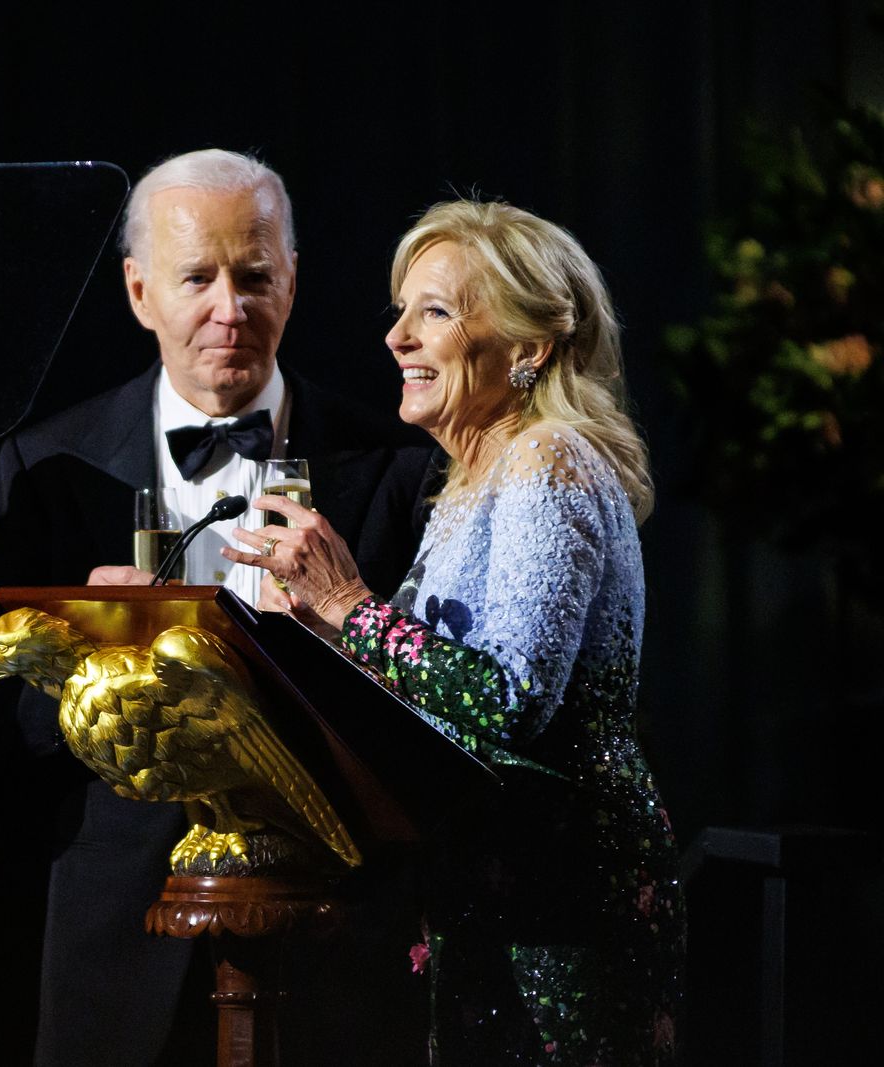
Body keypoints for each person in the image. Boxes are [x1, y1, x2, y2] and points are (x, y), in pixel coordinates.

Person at [0, 148, 438, 1066]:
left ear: (293, 283)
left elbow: (427, 716)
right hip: (116, 949)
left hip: (335, 944)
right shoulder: (49, 468)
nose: (231, 308)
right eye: (197, 278)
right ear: (140, 292)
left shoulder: (395, 463)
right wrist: (78, 658)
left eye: (255, 275)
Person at [223, 199, 686, 1064]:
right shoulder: (471, 478)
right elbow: (425, 690)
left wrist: (351, 605)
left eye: (434, 311)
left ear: (529, 346)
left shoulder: (550, 458)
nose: (397, 337)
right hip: (489, 881)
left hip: (566, 898)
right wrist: (309, 633)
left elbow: (506, 701)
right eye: (400, 311)